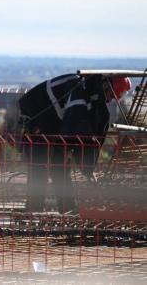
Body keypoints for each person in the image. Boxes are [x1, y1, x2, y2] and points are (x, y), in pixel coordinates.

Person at [17, 73, 131, 213]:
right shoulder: (79, 91)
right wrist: (75, 153)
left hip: (56, 126)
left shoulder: (90, 94)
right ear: (106, 87)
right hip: (37, 118)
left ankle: (67, 208)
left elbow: (84, 129)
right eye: (111, 96)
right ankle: (34, 210)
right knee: (39, 165)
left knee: (60, 167)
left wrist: (86, 166)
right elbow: (76, 124)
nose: (109, 100)